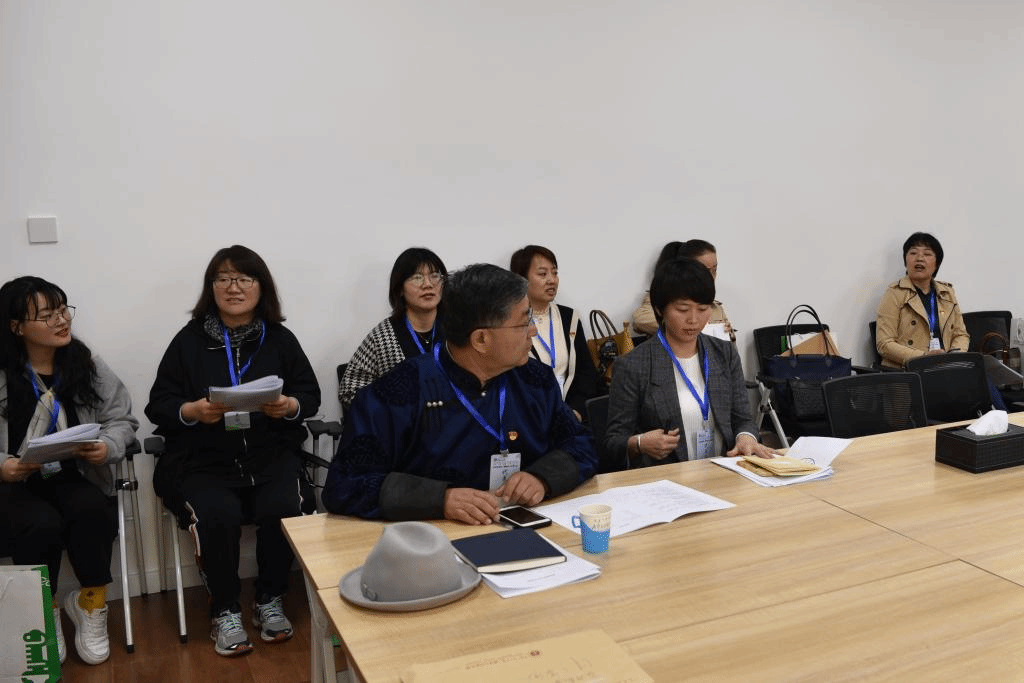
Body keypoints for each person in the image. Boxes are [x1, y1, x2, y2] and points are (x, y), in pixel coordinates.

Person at [146, 245, 321, 657]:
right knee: (217, 513)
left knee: (284, 506)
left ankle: (269, 599)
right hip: (203, 461)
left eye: (244, 278)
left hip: (269, 455)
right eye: (223, 278)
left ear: (262, 287)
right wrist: (192, 411)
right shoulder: (188, 341)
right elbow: (159, 403)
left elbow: (310, 395)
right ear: (211, 287)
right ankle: (224, 610)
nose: (234, 287)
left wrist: (288, 406)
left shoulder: (279, 339)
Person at [322, 263, 597, 524]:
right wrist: (440, 499)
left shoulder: (535, 379)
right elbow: (345, 484)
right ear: (481, 339)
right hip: (433, 541)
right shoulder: (399, 392)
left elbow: (582, 444)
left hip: (524, 526)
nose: (533, 331)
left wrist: (542, 478)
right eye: (524, 323)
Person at [0, 276, 138, 666]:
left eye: (63, 310)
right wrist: (4, 466)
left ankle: (90, 602)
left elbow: (121, 420)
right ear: (17, 327)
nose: (62, 321)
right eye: (47, 315)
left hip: (73, 474)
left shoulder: (86, 363)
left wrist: (106, 446)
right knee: (39, 523)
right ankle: (43, 610)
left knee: (92, 509)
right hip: (14, 484)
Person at [607, 258, 776, 468]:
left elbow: (743, 419)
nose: (694, 320)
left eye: (703, 308)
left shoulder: (724, 353)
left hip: (723, 472)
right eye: (682, 309)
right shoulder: (634, 365)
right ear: (659, 309)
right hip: (666, 477)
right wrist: (639, 443)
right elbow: (612, 444)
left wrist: (745, 437)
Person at [338, 247, 447, 411]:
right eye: (417, 278)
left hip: (453, 422)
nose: (428, 284)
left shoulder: (458, 329)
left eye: (435, 276)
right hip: (404, 424)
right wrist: (393, 409)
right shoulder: (382, 337)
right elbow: (349, 391)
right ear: (400, 289)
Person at [508, 245, 604, 419]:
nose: (552, 280)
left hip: (572, 415)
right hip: (532, 418)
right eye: (542, 274)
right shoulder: (508, 324)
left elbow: (586, 373)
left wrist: (575, 412)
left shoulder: (569, 318)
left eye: (555, 273)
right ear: (521, 279)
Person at [876, 232, 969, 368]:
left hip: (945, 367)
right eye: (913, 253)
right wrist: (923, 358)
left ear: (936, 264)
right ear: (906, 261)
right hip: (910, 370)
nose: (919, 258)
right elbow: (884, 344)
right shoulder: (894, 293)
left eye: (927, 254)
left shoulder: (947, 293)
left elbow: (961, 334)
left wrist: (954, 357)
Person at [632, 240, 734, 340]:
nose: (711, 276)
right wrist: (695, 329)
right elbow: (640, 321)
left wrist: (729, 337)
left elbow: (730, 349)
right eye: (704, 270)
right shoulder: (663, 297)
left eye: (714, 270)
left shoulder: (716, 307)